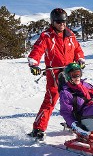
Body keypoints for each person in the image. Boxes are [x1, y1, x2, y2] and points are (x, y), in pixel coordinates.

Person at [27, 8, 86, 140]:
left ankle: (76, 122)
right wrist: (34, 64)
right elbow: (37, 50)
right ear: (53, 22)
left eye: (64, 21)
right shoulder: (46, 36)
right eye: (58, 21)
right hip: (54, 72)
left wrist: (80, 59)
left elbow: (77, 49)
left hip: (70, 70)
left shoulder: (70, 35)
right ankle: (38, 128)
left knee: (77, 96)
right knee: (51, 99)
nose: (62, 24)